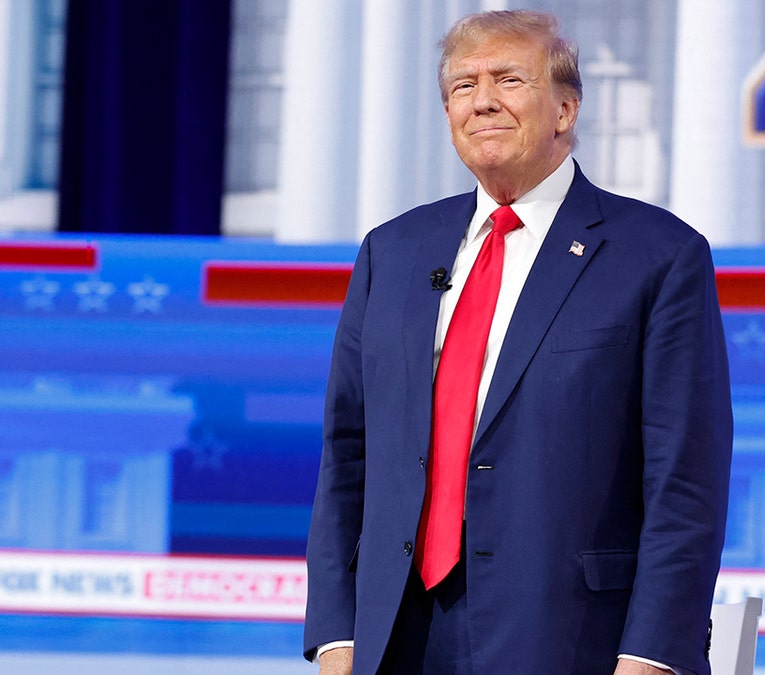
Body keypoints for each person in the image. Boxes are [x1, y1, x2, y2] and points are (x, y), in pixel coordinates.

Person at [304, 9, 732, 675]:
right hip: (395, 637)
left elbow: (685, 479)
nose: (482, 101)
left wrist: (651, 654)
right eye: (462, 87)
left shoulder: (658, 255)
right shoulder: (392, 251)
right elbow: (346, 456)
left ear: (565, 108)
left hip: (572, 639)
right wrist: (334, 634)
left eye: (508, 79)